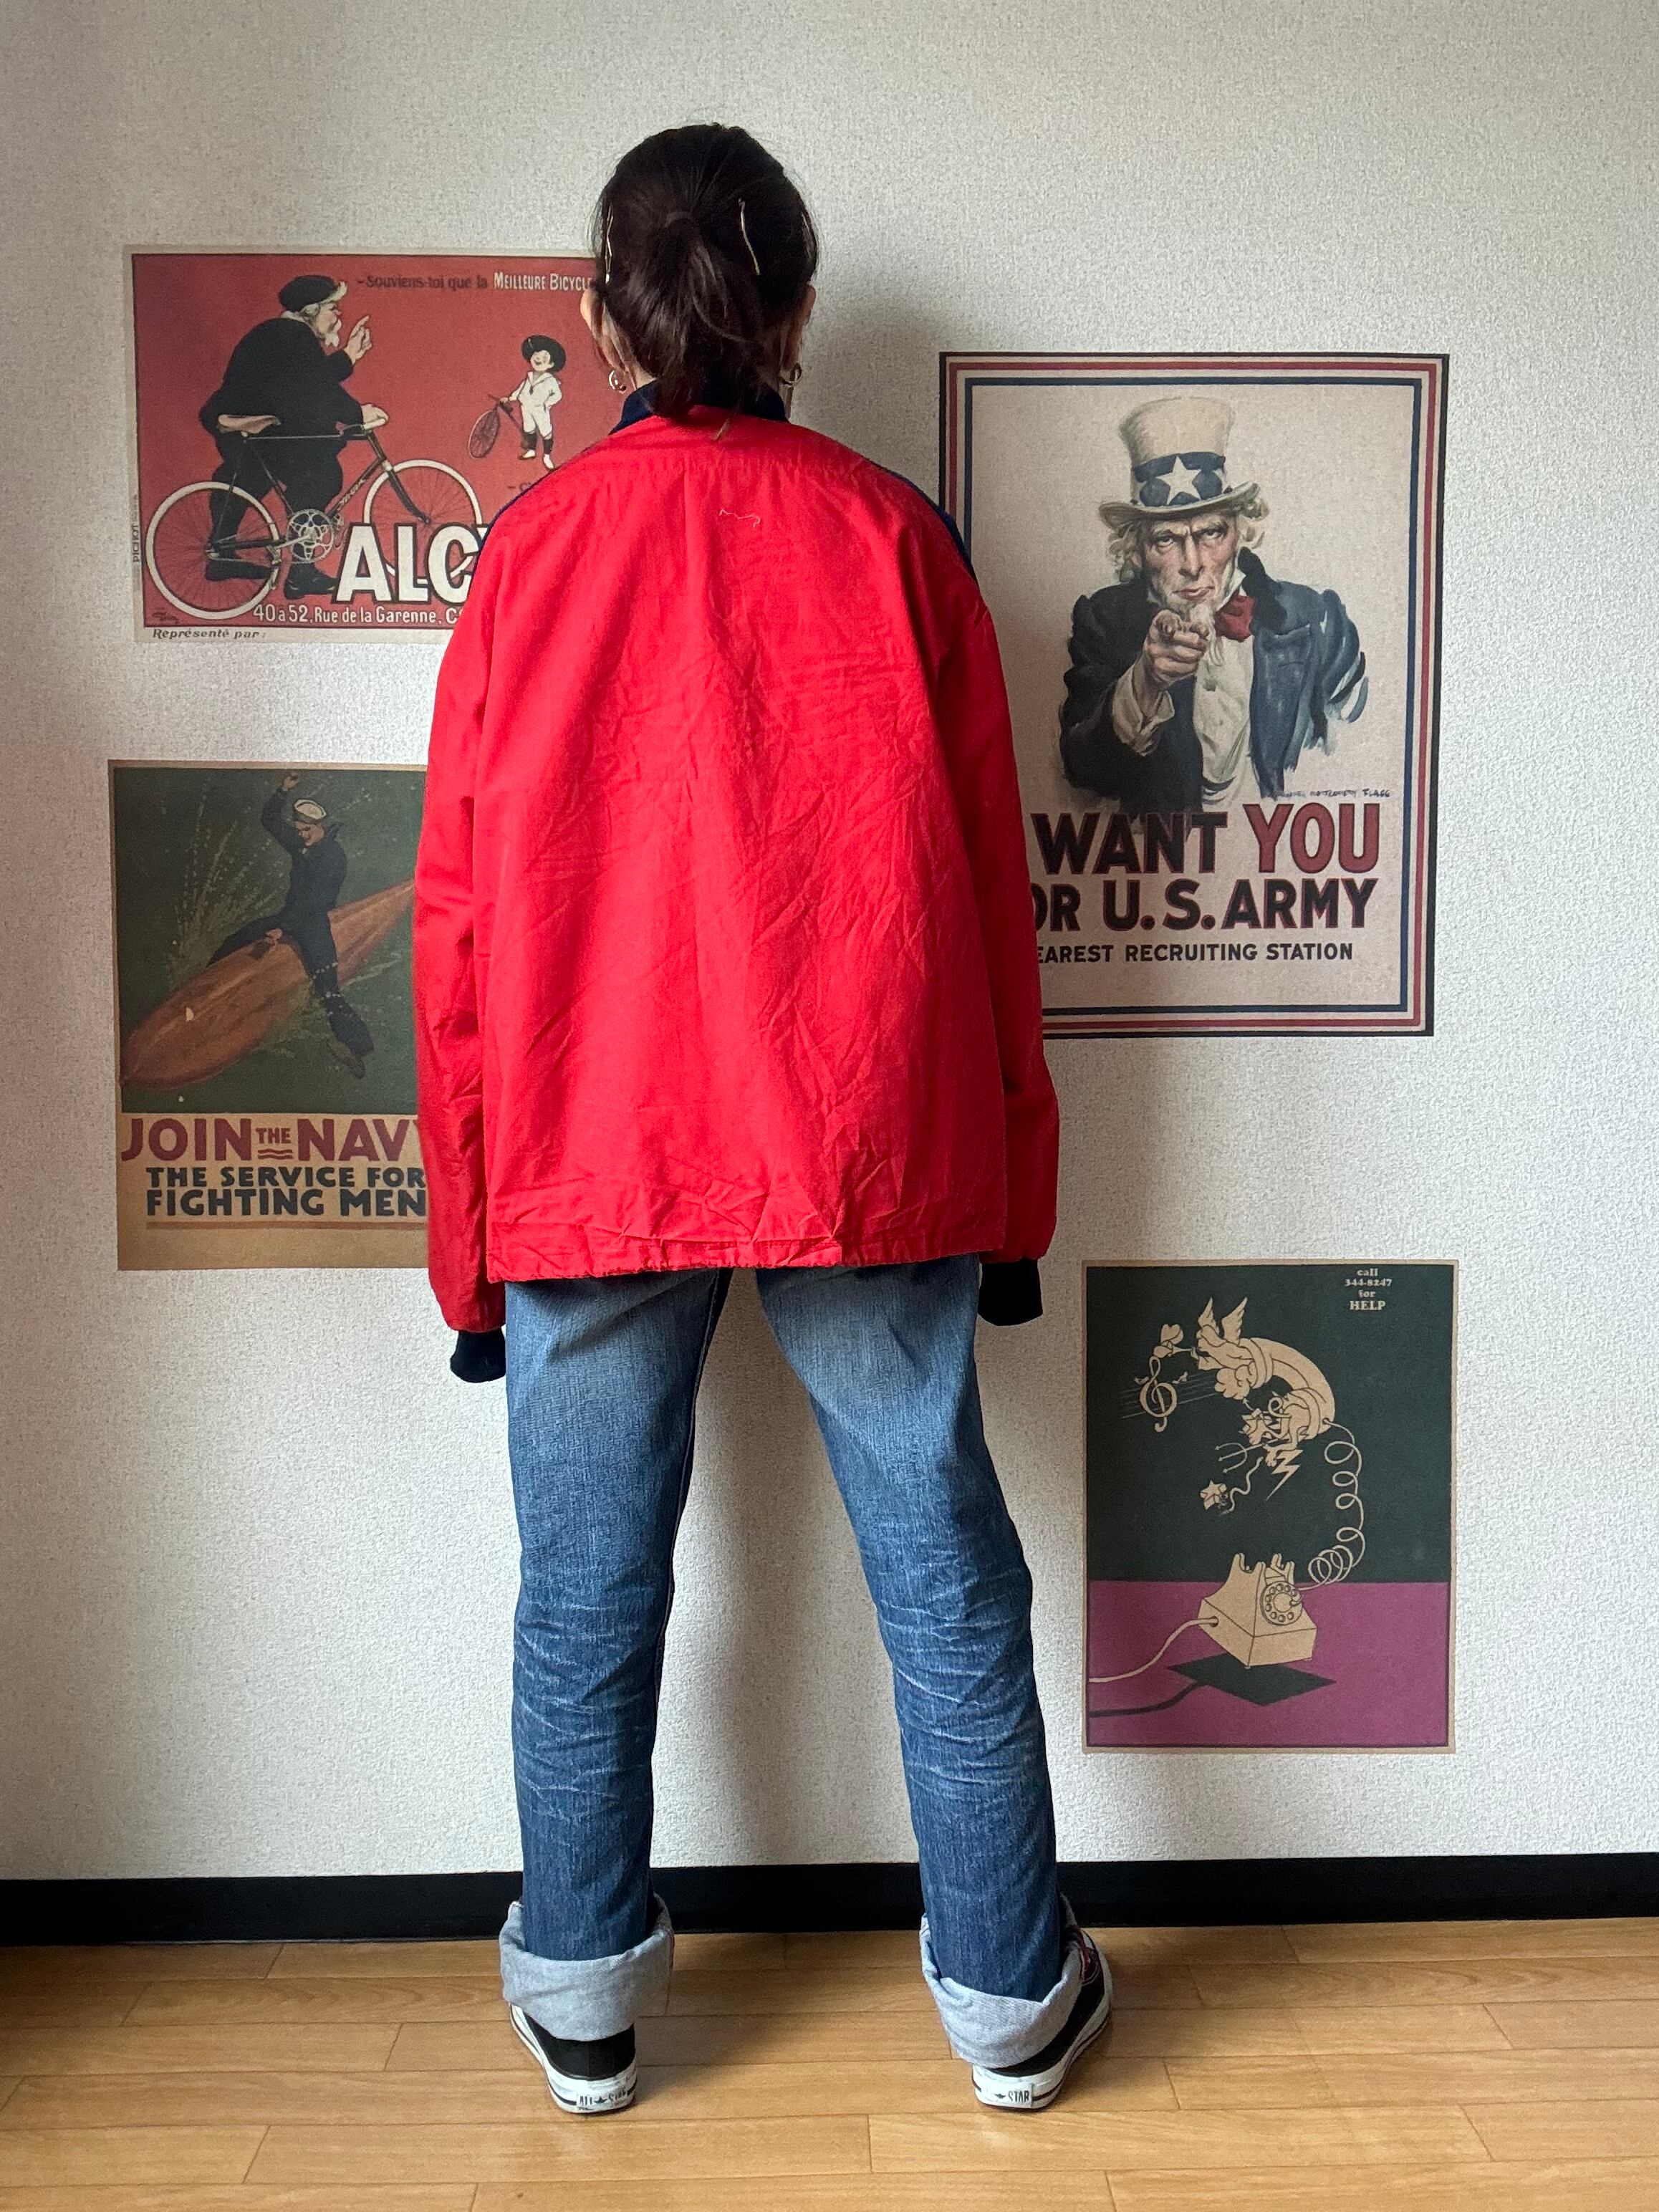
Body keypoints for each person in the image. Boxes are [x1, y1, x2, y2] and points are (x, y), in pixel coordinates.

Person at [414, 123, 1107, 2121]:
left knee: (585, 1593)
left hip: (586, 1150)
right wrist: (1009, 1202)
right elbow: (987, 909)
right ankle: (1007, 1997)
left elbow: (454, 924)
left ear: (602, 314)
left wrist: (468, 1253)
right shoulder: (895, 537)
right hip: (861, 1141)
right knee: (944, 1580)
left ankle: (582, 1999)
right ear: (792, 310)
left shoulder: (530, 556)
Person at [1058, 396, 1367, 811]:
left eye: (1210, 534)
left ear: (1240, 533)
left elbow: (1356, 757)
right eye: (1165, 539)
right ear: (1135, 552)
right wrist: (1145, 682)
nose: (1193, 565)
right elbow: (1083, 771)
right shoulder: (1102, 621)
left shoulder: (1316, 619)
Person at [198, 274, 390, 600]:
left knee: (246, 480)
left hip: (240, 424)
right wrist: (357, 414)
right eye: (332, 307)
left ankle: (222, 556)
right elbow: (314, 389)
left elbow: (306, 381)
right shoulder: (293, 335)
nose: (338, 314)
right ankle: (301, 573)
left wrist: (349, 361)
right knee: (322, 476)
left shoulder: (279, 333)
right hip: (258, 426)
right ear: (311, 310)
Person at [212, 773, 375, 1076]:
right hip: (289, 917)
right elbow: (269, 819)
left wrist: (283, 930)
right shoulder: (301, 843)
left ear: (321, 827)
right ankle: (206, 986)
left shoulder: (334, 858)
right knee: (236, 940)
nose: (301, 835)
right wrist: (283, 790)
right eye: (299, 830)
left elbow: (314, 902)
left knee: (328, 988)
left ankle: (357, 1047)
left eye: (307, 830)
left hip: (313, 924)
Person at [510, 335, 565, 467]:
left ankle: (547, 456)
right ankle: (532, 450)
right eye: (536, 356)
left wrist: (547, 403)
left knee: (545, 431)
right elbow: (521, 388)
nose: (538, 359)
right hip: (526, 407)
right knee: (529, 429)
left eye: (544, 357)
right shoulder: (530, 376)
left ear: (551, 364)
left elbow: (557, 395)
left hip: (540, 409)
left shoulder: (550, 380)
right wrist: (511, 397)